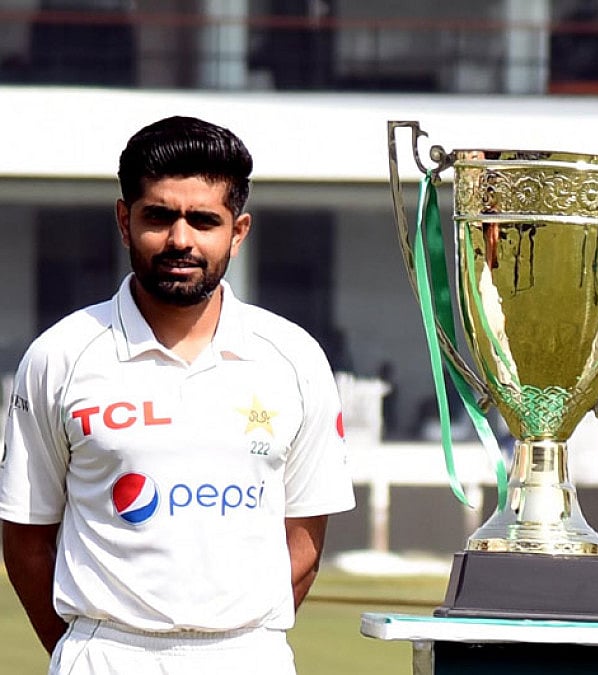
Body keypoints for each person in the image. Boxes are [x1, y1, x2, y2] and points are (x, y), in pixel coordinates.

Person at [0, 116, 356, 674]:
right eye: (159, 217)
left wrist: (237, 635)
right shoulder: (61, 355)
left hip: (247, 655)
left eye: (203, 220)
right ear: (124, 220)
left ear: (237, 232)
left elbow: (305, 541)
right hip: (107, 654)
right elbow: (24, 538)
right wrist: (84, 652)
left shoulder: (294, 356)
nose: (180, 240)